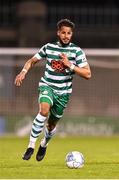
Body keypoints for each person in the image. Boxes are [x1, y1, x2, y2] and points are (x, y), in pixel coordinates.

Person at [14, 19, 91, 161]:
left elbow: (88, 74)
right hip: (47, 86)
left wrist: (70, 65)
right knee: (43, 110)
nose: (66, 36)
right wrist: (24, 71)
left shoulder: (76, 51)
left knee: (50, 126)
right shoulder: (48, 47)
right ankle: (31, 146)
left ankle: (44, 143)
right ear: (58, 33)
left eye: (69, 33)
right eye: (63, 33)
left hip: (63, 94)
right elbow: (32, 60)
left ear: (72, 34)